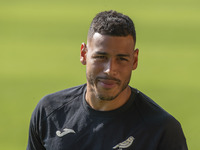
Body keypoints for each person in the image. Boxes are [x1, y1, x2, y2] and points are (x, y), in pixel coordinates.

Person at [27, 10, 188, 150]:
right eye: (101, 57)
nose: (110, 70)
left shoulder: (162, 130)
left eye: (122, 59)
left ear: (135, 60)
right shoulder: (49, 113)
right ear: (84, 54)